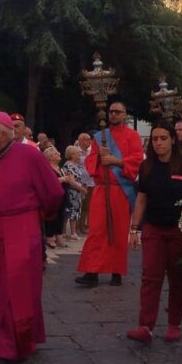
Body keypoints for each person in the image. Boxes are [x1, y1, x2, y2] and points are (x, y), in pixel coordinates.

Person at [0, 111, 63, 364]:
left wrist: (38, 217)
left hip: (21, 231)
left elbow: (54, 193)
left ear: (3, 133)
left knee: (15, 292)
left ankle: (9, 350)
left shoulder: (30, 155)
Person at [126, 121, 182, 344]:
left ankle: (174, 324)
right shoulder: (146, 166)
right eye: (155, 139)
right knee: (150, 277)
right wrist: (134, 228)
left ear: (173, 140)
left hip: (179, 230)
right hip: (153, 228)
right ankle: (145, 326)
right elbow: (141, 198)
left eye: (163, 138)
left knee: (178, 278)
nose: (158, 143)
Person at [76, 101, 143, 287]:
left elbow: (137, 159)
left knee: (119, 232)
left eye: (117, 112)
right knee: (96, 231)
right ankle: (91, 271)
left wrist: (117, 160)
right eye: (111, 112)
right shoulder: (100, 137)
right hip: (101, 188)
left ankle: (116, 271)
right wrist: (99, 157)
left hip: (120, 190)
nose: (113, 115)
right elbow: (90, 160)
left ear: (124, 115)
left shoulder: (133, 136)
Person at [42, 146, 69, 248]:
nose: (58, 155)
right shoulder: (48, 168)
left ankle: (59, 237)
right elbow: (48, 182)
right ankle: (50, 238)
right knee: (53, 217)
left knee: (61, 216)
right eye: (55, 154)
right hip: (53, 196)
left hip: (62, 195)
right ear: (49, 157)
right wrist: (61, 179)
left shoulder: (59, 168)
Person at [61, 145, 89, 240]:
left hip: (77, 193)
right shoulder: (68, 165)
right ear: (72, 155)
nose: (79, 155)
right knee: (69, 211)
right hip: (71, 192)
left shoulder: (75, 165)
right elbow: (71, 181)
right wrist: (82, 189)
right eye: (78, 153)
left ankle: (72, 232)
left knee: (75, 212)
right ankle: (68, 232)